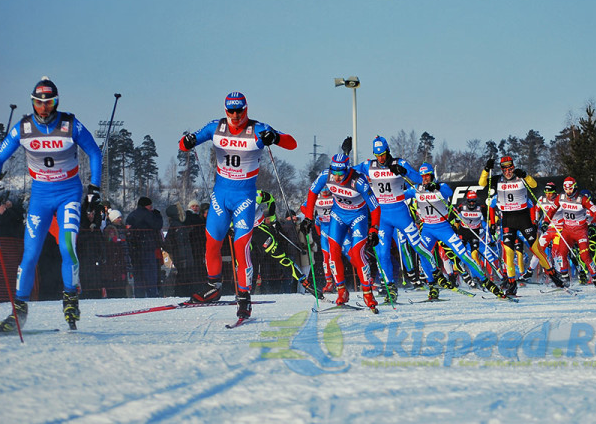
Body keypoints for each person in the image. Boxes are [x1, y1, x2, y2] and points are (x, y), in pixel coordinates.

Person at [0, 77, 102, 331]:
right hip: (40, 196)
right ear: (33, 104)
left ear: (56, 102)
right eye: (39, 103)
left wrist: (94, 188)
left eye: (49, 103)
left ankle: (70, 298)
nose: (44, 108)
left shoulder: (70, 123)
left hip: (68, 193)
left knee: (67, 247)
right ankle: (18, 312)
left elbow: (94, 151)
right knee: (29, 255)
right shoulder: (24, 127)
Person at [179, 91, 297, 320]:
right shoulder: (216, 127)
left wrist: (276, 137)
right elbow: (184, 145)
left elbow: (292, 144)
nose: (235, 115)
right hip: (220, 197)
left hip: (244, 198)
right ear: (225, 110)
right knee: (212, 244)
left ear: (246, 109)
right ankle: (213, 287)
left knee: (242, 248)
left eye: (239, 110)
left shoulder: (259, 129)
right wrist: (188, 141)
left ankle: (244, 297)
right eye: (230, 110)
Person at [353, 136, 439, 303]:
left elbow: (416, 178)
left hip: (401, 213)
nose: (381, 158)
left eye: (383, 154)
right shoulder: (368, 166)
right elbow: (350, 172)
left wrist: (404, 171)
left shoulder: (400, 162)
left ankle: (433, 282)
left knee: (418, 247)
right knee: (382, 253)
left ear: (388, 151)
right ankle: (390, 288)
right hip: (382, 216)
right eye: (377, 155)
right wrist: (346, 154)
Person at [408, 163, 505, 299]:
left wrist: (435, 187)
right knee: (423, 254)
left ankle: (487, 282)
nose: (425, 179)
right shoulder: (416, 189)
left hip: (443, 228)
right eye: (423, 176)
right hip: (428, 229)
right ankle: (432, 285)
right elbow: (400, 195)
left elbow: (449, 192)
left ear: (432, 176)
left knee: (463, 254)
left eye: (427, 176)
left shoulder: (441, 187)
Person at [299, 154, 382, 311]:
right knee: (333, 252)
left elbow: (375, 207)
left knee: (357, 253)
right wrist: (309, 218)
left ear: (347, 169)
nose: (337, 177)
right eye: (334, 172)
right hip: (338, 215)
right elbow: (312, 193)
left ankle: (367, 292)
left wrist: (374, 229)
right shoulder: (326, 175)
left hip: (358, 216)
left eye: (340, 173)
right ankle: (341, 291)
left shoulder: (359, 181)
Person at [478, 156, 565, 290]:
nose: (508, 172)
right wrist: (486, 169)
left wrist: (525, 175)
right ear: (501, 170)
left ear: (513, 167)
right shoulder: (497, 179)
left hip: (523, 218)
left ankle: (553, 275)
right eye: (505, 169)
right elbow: (482, 183)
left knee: (536, 249)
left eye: (510, 168)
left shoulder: (520, 176)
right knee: (508, 251)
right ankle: (512, 283)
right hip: (507, 219)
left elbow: (534, 185)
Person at [551, 177, 596, 292]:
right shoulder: (560, 197)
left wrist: (592, 224)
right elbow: (551, 210)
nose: (568, 192)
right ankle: (565, 278)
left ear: (575, 187)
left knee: (585, 256)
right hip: (567, 231)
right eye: (566, 189)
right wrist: (546, 222)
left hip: (580, 231)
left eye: (570, 189)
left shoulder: (582, 199)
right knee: (561, 254)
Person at [126, 197, 164, 297]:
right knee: (150, 274)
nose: (151, 207)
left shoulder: (131, 215)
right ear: (146, 205)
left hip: (135, 249)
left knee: (138, 275)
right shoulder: (149, 215)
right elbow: (158, 225)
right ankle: (152, 294)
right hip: (148, 248)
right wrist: (157, 215)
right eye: (150, 205)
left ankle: (139, 295)